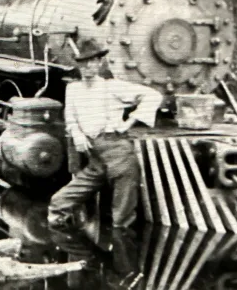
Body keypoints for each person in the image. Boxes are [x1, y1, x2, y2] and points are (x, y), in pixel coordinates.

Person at [47, 37, 163, 230]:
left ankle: (122, 246)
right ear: (79, 65)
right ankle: (62, 231)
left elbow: (153, 95)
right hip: (95, 155)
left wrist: (129, 122)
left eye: (92, 62)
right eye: (83, 63)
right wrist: (78, 135)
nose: (88, 67)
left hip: (118, 151)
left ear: (100, 63)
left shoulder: (112, 86)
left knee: (121, 217)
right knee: (58, 202)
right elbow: (71, 118)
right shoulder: (73, 89)